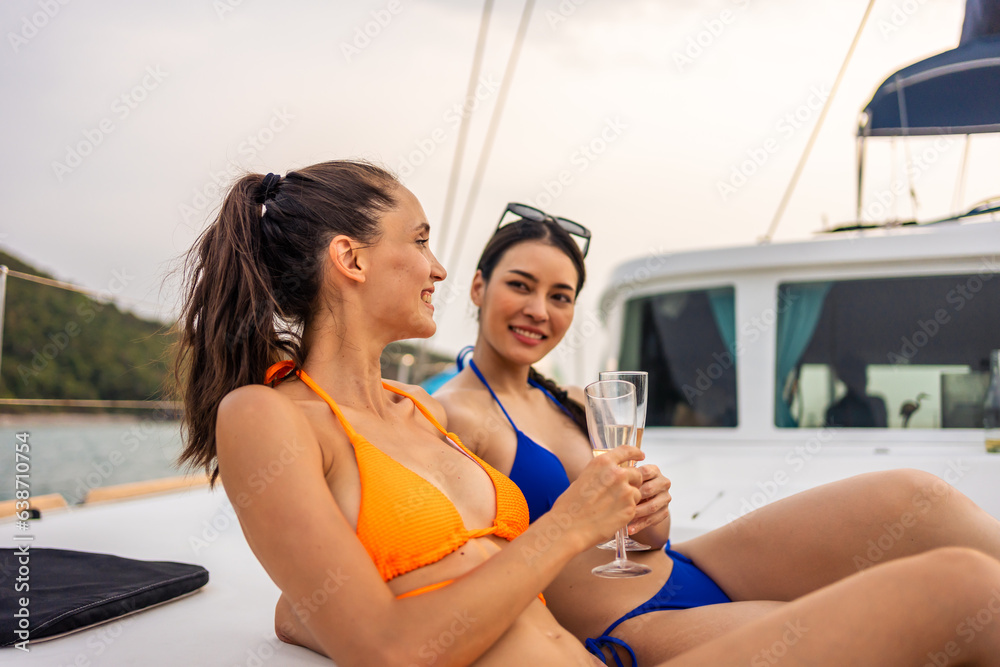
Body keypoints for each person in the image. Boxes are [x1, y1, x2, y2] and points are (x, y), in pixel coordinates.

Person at [434, 204, 1000, 666]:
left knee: (916, 497)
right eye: (521, 285)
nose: (539, 310)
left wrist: (651, 512)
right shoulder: (452, 417)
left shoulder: (580, 401)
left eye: (560, 296)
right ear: (479, 287)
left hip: (688, 566)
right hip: (628, 626)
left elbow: (647, 536)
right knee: (938, 614)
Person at [175, 161, 647, 666]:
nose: (439, 269)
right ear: (351, 259)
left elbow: (307, 607)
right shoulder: (262, 414)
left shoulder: (421, 408)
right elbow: (384, 650)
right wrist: (568, 525)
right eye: (421, 242)